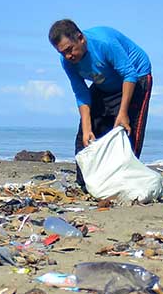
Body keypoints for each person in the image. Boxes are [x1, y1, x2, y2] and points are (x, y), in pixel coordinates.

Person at [49, 20, 153, 186]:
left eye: (70, 49)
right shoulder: (67, 62)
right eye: (62, 53)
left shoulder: (104, 43)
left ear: (80, 38)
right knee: (87, 133)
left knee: (125, 132)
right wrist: (87, 127)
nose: (68, 56)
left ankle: (125, 182)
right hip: (104, 82)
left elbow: (129, 74)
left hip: (136, 78)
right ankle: (86, 183)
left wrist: (123, 113)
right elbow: (80, 92)